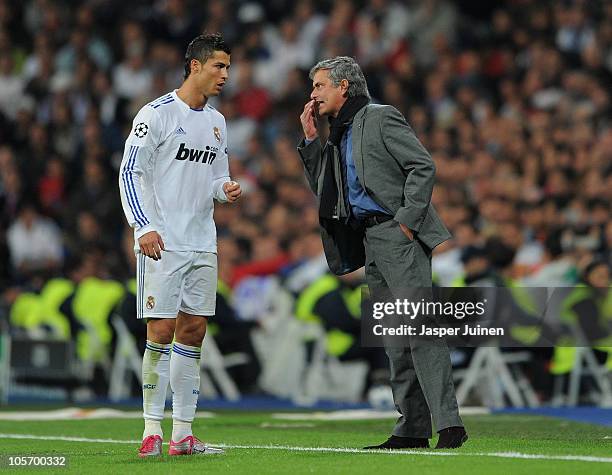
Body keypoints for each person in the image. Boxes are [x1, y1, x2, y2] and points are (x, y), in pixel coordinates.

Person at [297, 56, 467, 449]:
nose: (313, 94)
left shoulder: (379, 117)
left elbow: (422, 165)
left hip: (396, 233)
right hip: (370, 239)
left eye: (320, 86)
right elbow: (325, 191)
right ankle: (411, 428)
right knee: (392, 337)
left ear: (343, 86)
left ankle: (450, 425)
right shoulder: (338, 131)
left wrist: (406, 219)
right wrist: (310, 140)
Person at [119, 33, 241, 458]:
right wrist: (142, 227)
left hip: (202, 241)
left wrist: (225, 189)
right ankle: (152, 429)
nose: (225, 74)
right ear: (195, 66)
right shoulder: (155, 115)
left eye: (227, 67)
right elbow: (130, 173)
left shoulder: (216, 122)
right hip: (162, 241)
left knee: (194, 331)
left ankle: (183, 434)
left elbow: (214, 180)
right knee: (160, 329)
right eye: (219, 66)